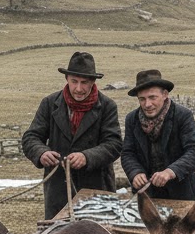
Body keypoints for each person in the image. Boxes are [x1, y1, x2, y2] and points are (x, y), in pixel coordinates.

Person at [22, 51, 122, 219]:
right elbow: (31, 137)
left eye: (84, 82)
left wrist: (87, 157)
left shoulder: (107, 106)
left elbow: (114, 144)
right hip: (58, 191)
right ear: (67, 79)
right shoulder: (50, 103)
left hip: (97, 189)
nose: (78, 88)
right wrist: (41, 153)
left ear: (93, 82)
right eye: (74, 81)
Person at [121, 69, 195, 200]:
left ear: (165, 94)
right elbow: (127, 153)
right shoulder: (132, 119)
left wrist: (170, 172)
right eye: (142, 99)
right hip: (147, 194)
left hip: (182, 194)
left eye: (152, 97)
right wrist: (135, 172)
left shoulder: (182, 116)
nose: (147, 104)